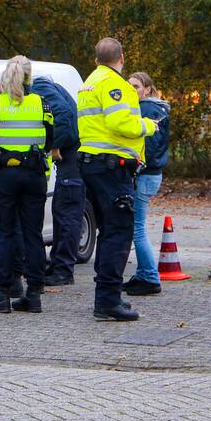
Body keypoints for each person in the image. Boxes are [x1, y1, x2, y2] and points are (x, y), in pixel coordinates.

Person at [77, 38, 158, 321]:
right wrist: (148, 126)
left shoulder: (88, 82)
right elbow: (120, 123)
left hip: (92, 164)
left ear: (96, 58)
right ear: (122, 57)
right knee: (119, 232)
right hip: (112, 167)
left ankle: (106, 297)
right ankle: (109, 301)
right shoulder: (115, 85)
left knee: (107, 232)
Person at [0, 56, 54, 313]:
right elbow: (51, 140)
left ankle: (3, 296)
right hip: (34, 176)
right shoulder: (43, 104)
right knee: (33, 235)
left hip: (4, 176)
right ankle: (34, 295)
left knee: (5, 234)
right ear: (30, 77)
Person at [31, 74, 84, 286]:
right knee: (62, 213)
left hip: (72, 161)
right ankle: (57, 266)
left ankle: (63, 270)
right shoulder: (47, 88)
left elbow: (62, 115)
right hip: (72, 162)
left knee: (67, 216)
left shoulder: (39, 87)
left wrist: (52, 146)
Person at [124, 72, 171, 296]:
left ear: (148, 89)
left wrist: (136, 168)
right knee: (137, 226)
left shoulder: (148, 110)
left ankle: (150, 277)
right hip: (151, 175)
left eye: (135, 86)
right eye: (128, 86)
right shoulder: (157, 108)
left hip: (145, 175)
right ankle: (144, 274)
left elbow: (149, 148)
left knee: (138, 228)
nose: (131, 90)